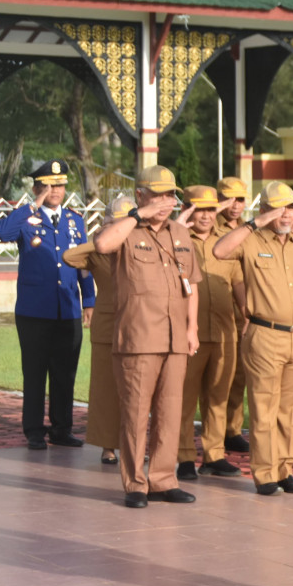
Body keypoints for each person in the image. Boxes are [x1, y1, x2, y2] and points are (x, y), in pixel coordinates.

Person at [93, 165, 200, 508]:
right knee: (136, 413)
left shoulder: (180, 235)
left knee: (170, 412)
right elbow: (102, 243)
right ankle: (135, 484)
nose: (166, 202)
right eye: (158, 195)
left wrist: (192, 328)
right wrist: (137, 215)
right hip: (139, 337)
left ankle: (163, 479)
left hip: (175, 338)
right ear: (141, 195)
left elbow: (192, 285)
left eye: (171, 195)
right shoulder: (125, 229)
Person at [214, 181, 293, 496]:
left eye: (290, 207)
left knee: (291, 410)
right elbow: (220, 250)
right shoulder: (250, 241)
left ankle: (285, 470)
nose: (286, 214)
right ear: (263, 210)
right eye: (277, 208)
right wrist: (256, 222)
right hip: (264, 334)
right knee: (264, 408)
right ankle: (264, 475)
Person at [0, 160, 95, 450]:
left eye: (60, 185)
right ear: (37, 187)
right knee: (36, 372)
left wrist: (88, 300)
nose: (56, 190)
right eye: (49, 185)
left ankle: (62, 429)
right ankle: (35, 431)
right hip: (34, 311)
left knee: (65, 372)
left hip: (68, 309)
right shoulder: (26, 218)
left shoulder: (75, 220)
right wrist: (31, 206)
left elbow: (85, 264)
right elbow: (3, 233)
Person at [176, 185, 246, 480]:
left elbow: (239, 282)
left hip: (224, 330)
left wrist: (247, 315)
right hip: (187, 332)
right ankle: (183, 457)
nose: (205, 216)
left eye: (210, 209)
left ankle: (214, 454)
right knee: (184, 398)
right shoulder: (176, 239)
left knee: (218, 396)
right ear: (189, 209)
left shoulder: (226, 242)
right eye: (199, 209)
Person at [62, 195, 131, 465]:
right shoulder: (97, 252)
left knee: (135, 388)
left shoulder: (140, 246)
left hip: (137, 324)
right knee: (105, 389)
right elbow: (69, 256)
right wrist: (100, 239)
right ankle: (107, 446)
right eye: (115, 223)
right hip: (106, 326)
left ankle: (133, 444)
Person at [217, 175, 252, 455]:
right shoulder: (208, 225)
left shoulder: (247, 229)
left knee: (240, 374)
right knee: (219, 375)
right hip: (217, 309)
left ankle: (232, 429)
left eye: (240, 199)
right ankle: (215, 432)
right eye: (229, 199)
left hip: (244, 311)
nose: (235, 205)